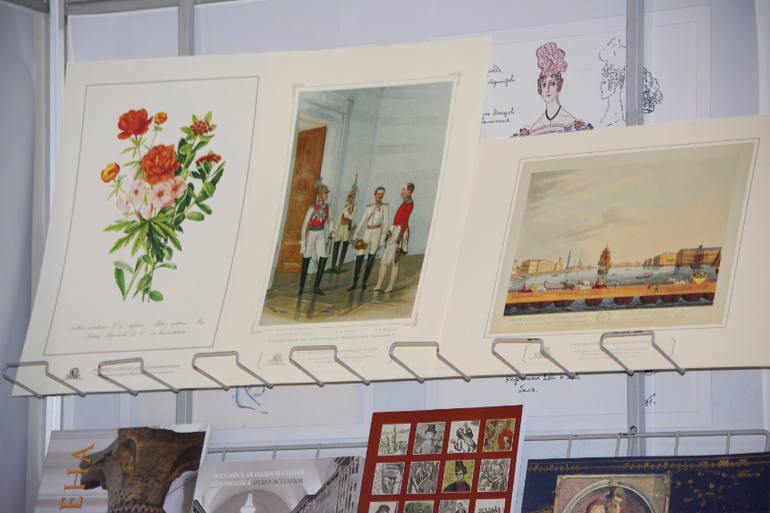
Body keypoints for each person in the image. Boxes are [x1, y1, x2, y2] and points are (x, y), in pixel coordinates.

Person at [513, 42, 593, 137]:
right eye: (544, 85)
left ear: (558, 86)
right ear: (540, 89)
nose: (547, 89)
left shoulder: (571, 123)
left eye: (552, 84)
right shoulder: (536, 127)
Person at [374, 183, 414, 292]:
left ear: (409, 192)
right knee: (386, 260)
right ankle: (379, 285)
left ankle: (390, 287)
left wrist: (399, 236)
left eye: (404, 189)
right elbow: (398, 220)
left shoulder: (409, 204)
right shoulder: (404, 203)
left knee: (395, 260)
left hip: (400, 232)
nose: (402, 191)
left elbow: (405, 221)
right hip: (396, 230)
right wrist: (391, 231)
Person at [348, 187, 389, 291]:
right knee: (360, 254)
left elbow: (386, 223)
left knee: (371, 256)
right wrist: (355, 235)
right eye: (378, 193)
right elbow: (362, 221)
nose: (380, 195)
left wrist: (383, 237)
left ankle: (364, 283)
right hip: (367, 232)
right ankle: (354, 283)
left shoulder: (385, 207)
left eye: (382, 194)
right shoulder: (369, 207)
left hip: (377, 233)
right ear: (375, 195)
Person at [299, 179, 335, 296]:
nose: (327, 195)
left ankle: (316, 287)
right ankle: (301, 287)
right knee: (306, 257)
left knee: (322, 257)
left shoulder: (327, 208)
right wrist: (303, 243)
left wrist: (332, 230)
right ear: (320, 195)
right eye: (325, 193)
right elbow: (304, 225)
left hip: (321, 234)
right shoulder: (312, 208)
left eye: (327, 193)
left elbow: (330, 221)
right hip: (311, 234)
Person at [331, 181, 358, 273]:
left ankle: (340, 265)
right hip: (342, 226)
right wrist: (336, 229)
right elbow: (340, 219)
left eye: (351, 198)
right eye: (348, 198)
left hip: (347, 227)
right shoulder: (345, 207)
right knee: (336, 243)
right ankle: (333, 265)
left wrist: (346, 212)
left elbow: (351, 217)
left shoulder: (355, 206)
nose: (349, 200)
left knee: (345, 244)